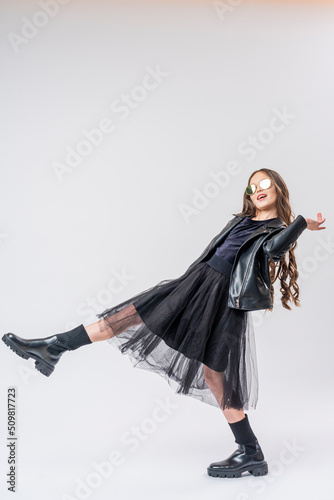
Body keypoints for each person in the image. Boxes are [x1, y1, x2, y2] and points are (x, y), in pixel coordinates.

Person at [2, 168, 326, 479]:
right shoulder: (241, 220)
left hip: (223, 304)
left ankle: (250, 451)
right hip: (193, 287)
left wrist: (299, 224)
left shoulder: (276, 229)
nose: (258, 189)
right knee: (127, 314)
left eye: (265, 183)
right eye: (252, 186)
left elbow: (272, 250)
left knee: (214, 375)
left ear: (279, 189)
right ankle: (53, 347)